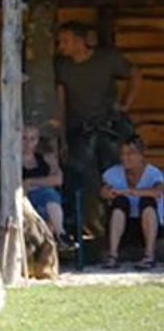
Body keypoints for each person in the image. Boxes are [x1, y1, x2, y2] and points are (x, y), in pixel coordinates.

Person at [55, 21, 141, 236]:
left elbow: (135, 74)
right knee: (86, 182)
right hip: (81, 133)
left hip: (110, 130)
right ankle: (93, 231)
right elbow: (60, 103)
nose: (61, 46)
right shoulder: (62, 67)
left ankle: (126, 231)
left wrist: (125, 105)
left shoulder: (107, 59)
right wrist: (62, 137)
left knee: (117, 178)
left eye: (65, 41)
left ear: (80, 41)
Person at [99, 135, 163, 269]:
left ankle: (149, 255)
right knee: (120, 203)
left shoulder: (153, 174)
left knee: (147, 202)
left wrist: (133, 192)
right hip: (125, 226)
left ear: (141, 155)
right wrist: (113, 193)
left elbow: (158, 192)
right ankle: (113, 255)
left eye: (130, 154)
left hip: (150, 225)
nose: (125, 158)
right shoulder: (112, 173)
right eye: (123, 154)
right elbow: (104, 192)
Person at [22, 123, 76, 251]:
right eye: (24, 138)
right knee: (49, 195)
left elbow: (58, 179)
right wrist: (44, 182)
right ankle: (61, 235)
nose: (28, 143)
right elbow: (20, 186)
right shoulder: (13, 160)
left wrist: (30, 182)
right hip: (26, 201)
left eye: (32, 139)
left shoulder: (47, 158)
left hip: (47, 204)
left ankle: (54, 242)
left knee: (48, 200)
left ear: (37, 141)